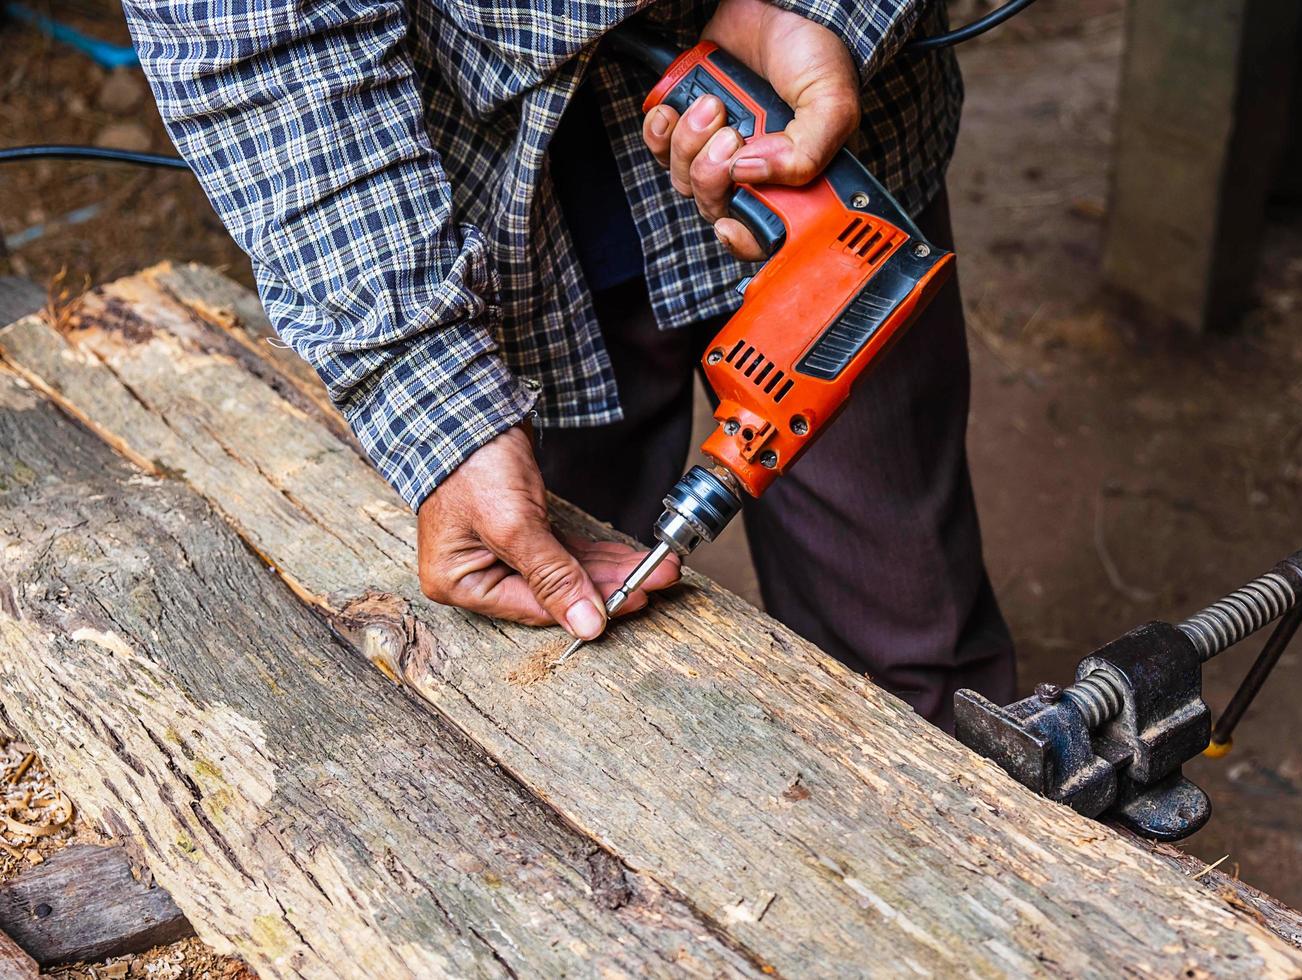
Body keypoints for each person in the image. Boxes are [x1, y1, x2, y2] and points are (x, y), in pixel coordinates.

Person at [123, 0, 1015, 730]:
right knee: (563, 633)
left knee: (916, 635)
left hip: (818, 141)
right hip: (490, 228)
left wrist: (822, 10)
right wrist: (437, 399)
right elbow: (259, 50)